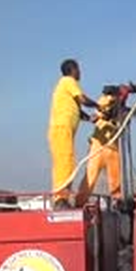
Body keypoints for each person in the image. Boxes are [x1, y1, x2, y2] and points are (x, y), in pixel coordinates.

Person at [47, 59, 98, 207]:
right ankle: (60, 199)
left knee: (66, 162)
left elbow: (76, 109)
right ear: (73, 70)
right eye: (78, 69)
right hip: (61, 128)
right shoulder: (68, 81)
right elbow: (82, 99)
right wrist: (97, 105)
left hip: (62, 129)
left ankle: (62, 197)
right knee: (65, 162)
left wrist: (89, 118)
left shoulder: (65, 86)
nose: (80, 72)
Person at [74, 84, 130, 206]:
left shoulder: (124, 112)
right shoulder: (104, 102)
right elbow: (100, 109)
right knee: (90, 177)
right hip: (98, 146)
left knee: (116, 181)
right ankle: (79, 204)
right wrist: (111, 98)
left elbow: (129, 116)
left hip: (114, 149)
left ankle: (118, 204)